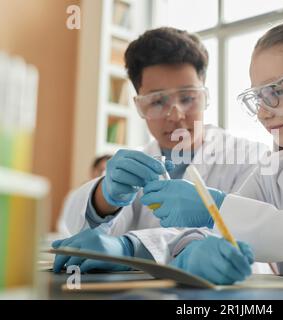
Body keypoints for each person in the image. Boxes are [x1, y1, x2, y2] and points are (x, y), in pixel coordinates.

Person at [52, 27, 271, 282]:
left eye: (188, 98)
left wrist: (130, 248)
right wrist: (103, 197)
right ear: (139, 106)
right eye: (157, 102)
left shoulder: (250, 159)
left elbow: (257, 244)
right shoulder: (136, 164)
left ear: (205, 96)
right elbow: (74, 228)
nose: (176, 115)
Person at [57, 155, 111, 237]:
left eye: (108, 172)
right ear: (93, 171)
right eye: (101, 170)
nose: (104, 175)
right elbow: (62, 224)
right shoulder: (75, 194)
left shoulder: (119, 202)